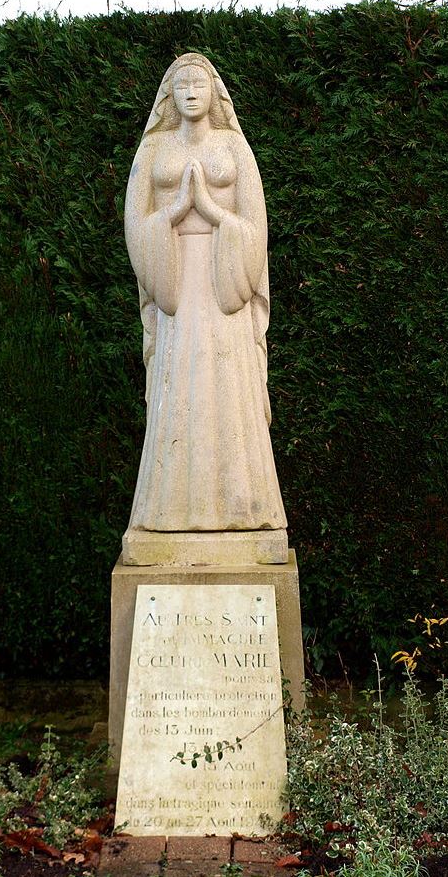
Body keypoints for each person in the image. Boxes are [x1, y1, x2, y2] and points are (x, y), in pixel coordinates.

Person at [124, 52, 286, 540]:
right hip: (177, 284)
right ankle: (167, 513)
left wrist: (214, 212)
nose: (191, 89)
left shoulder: (236, 149)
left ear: (216, 92)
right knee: (177, 391)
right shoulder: (152, 152)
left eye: (200, 81)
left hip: (224, 285)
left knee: (230, 390)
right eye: (182, 81)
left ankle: (245, 508)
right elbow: (135, 226)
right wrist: (173, 210)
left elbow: (256, 227)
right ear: (168, 95)